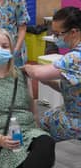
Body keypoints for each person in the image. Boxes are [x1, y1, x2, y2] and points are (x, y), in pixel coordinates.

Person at [0, 28, 55, 168]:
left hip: (27, 133)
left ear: (11, 50)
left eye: (5, 46)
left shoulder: (21, 76)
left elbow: (32, 110)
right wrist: (0, 140)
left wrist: (38, 129)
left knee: (46, 142)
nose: (0, 49)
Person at [21, 7, 81, 141]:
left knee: (42, 126)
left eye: (58, 34)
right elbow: (73, 91)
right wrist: (49, 82)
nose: (55, 38)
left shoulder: (74, 58)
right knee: (50, 114)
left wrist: (26, 68)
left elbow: (37, 73)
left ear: (73, 32)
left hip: (77, 121)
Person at [0, 0, 30, 67]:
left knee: (14, 74)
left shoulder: (18, 1)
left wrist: (16, 50)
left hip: (12, 47)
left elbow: (22, 28)